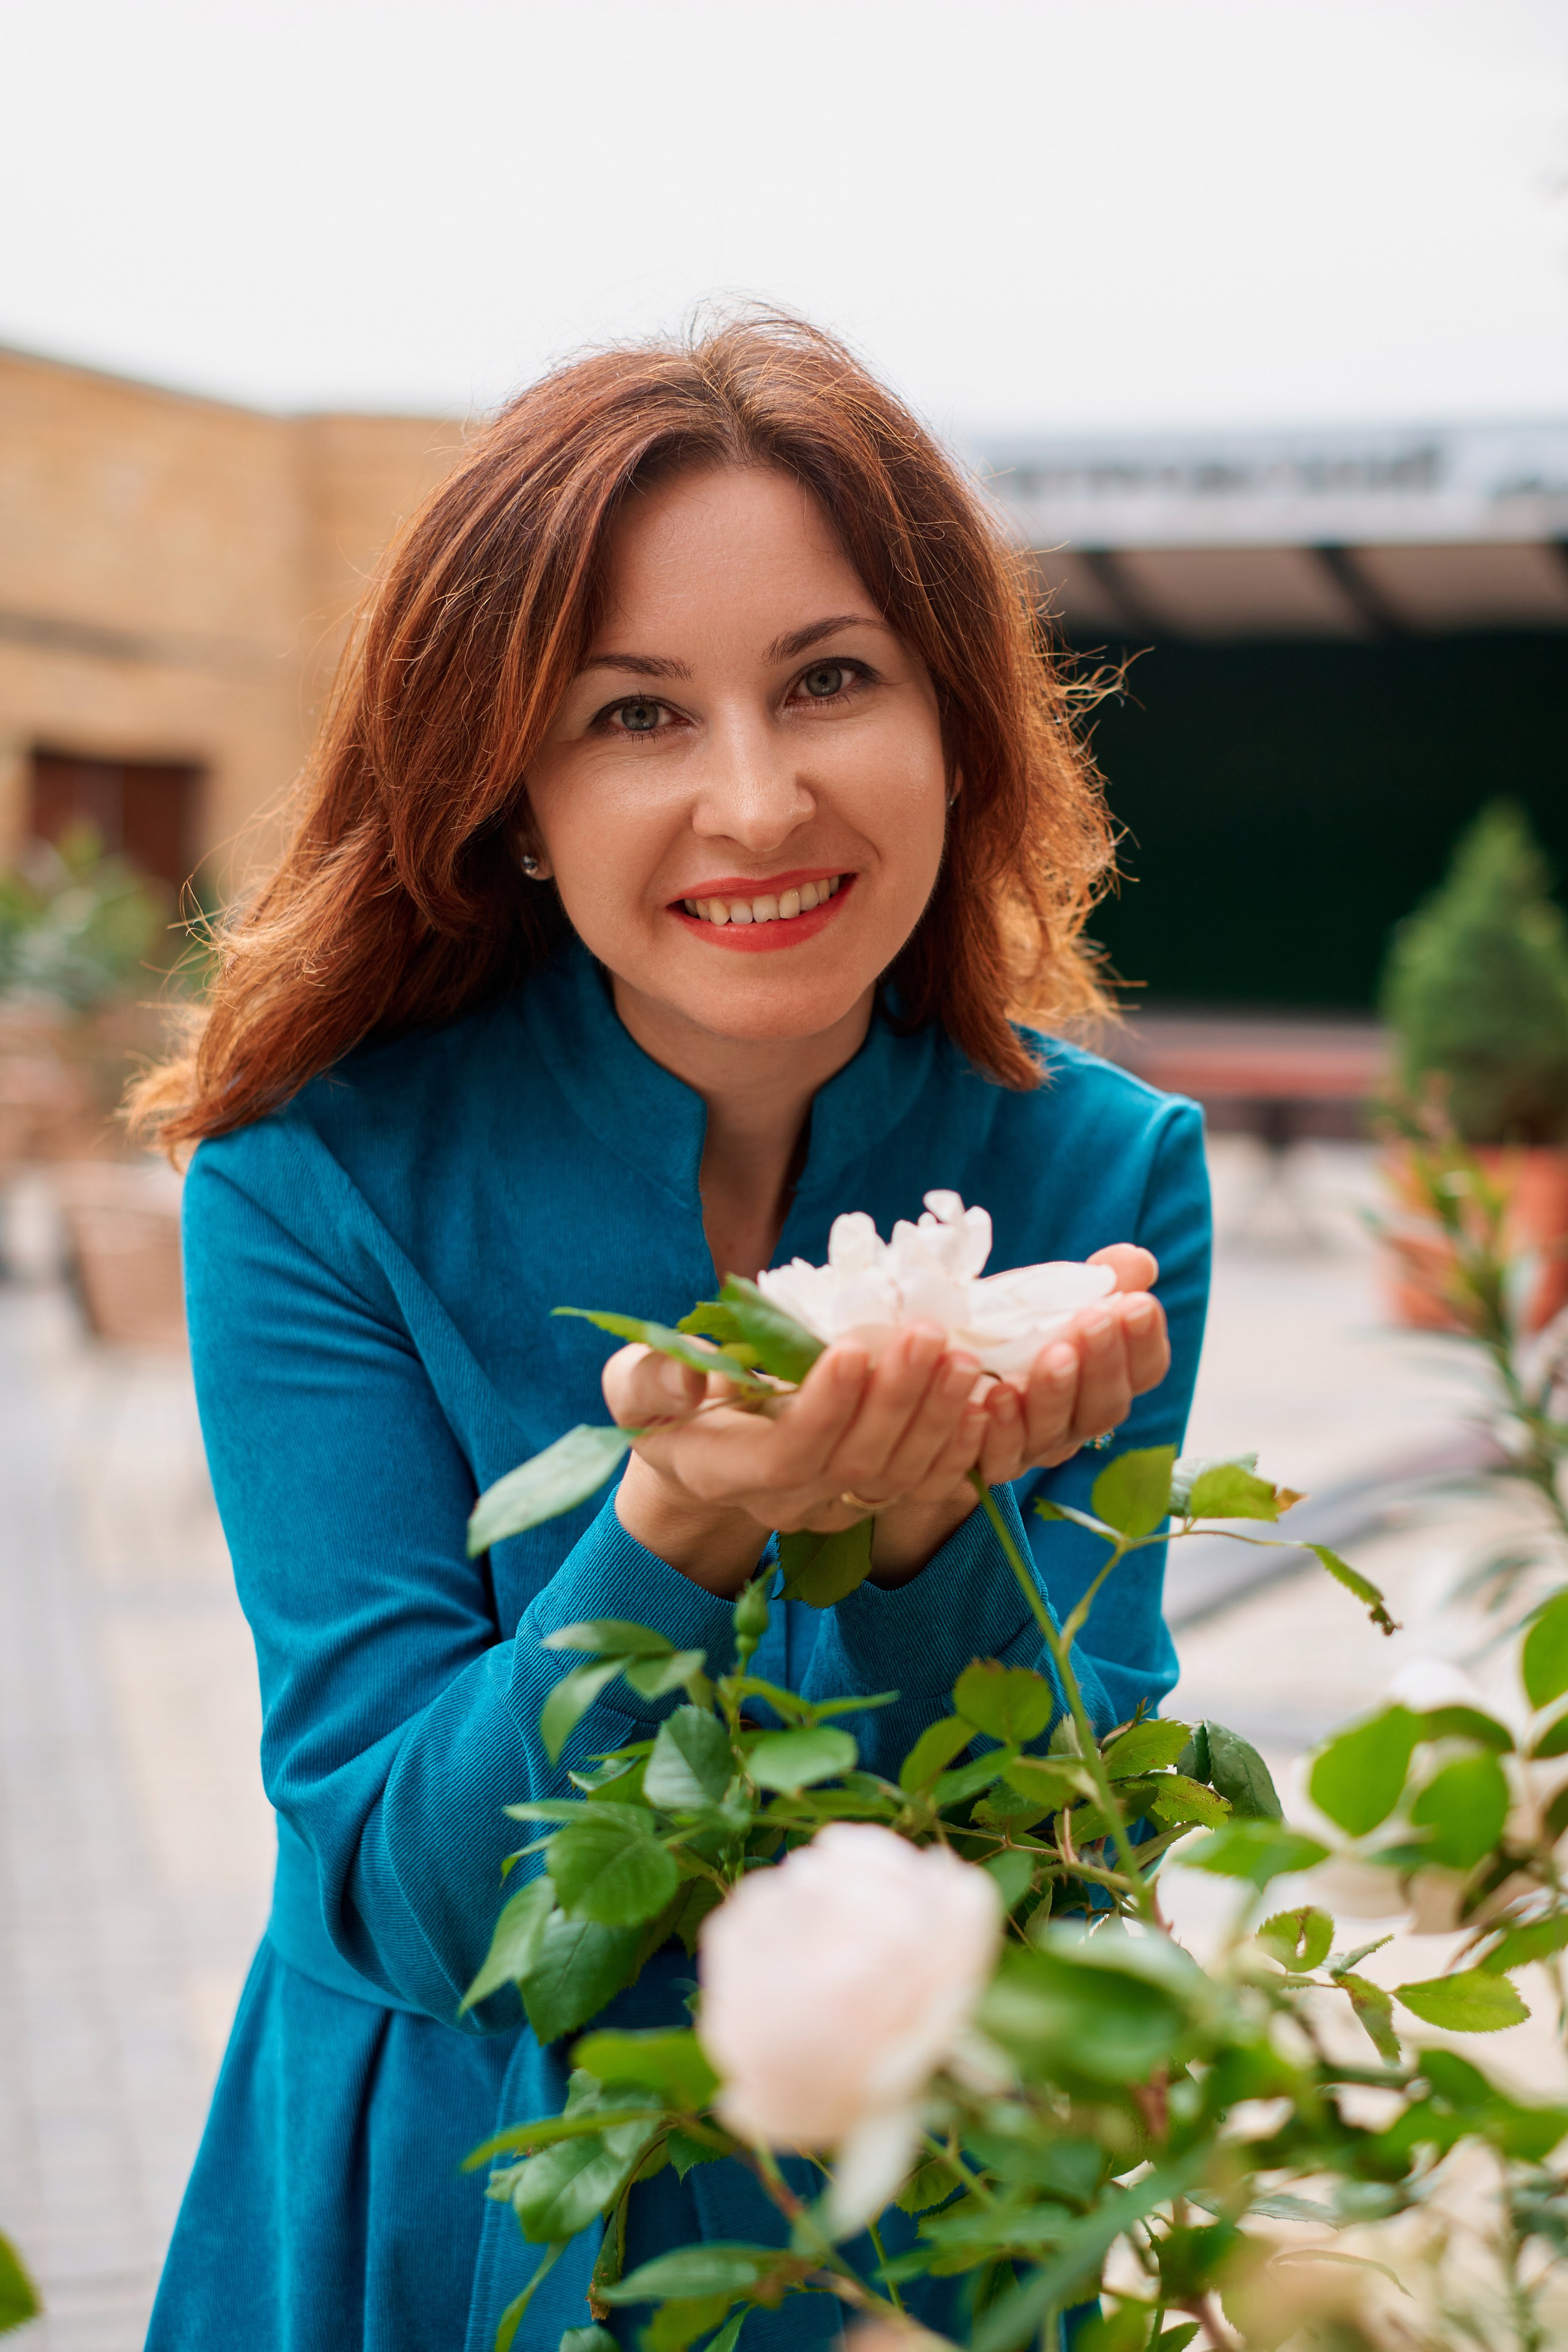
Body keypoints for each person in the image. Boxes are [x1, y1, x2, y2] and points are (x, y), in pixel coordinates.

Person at [134, 314, 1210, 2351]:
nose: (754, 796)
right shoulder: (312, 1184)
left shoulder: (1110, 1190)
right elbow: (407, 1897)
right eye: (635, 716)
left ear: (960, 726)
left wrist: (910, 1556)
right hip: (451, 2203)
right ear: (516, 800)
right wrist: (674, 1535)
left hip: (915, 2213)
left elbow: (1089, 1849)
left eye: (831, 679)